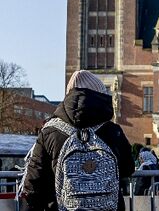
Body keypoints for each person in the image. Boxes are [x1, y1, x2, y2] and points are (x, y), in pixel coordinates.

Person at [19, 70, 136, 211]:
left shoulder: (49, 131)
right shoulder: (112, 131)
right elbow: (128, 168)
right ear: (100, 94)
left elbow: (33, 182)